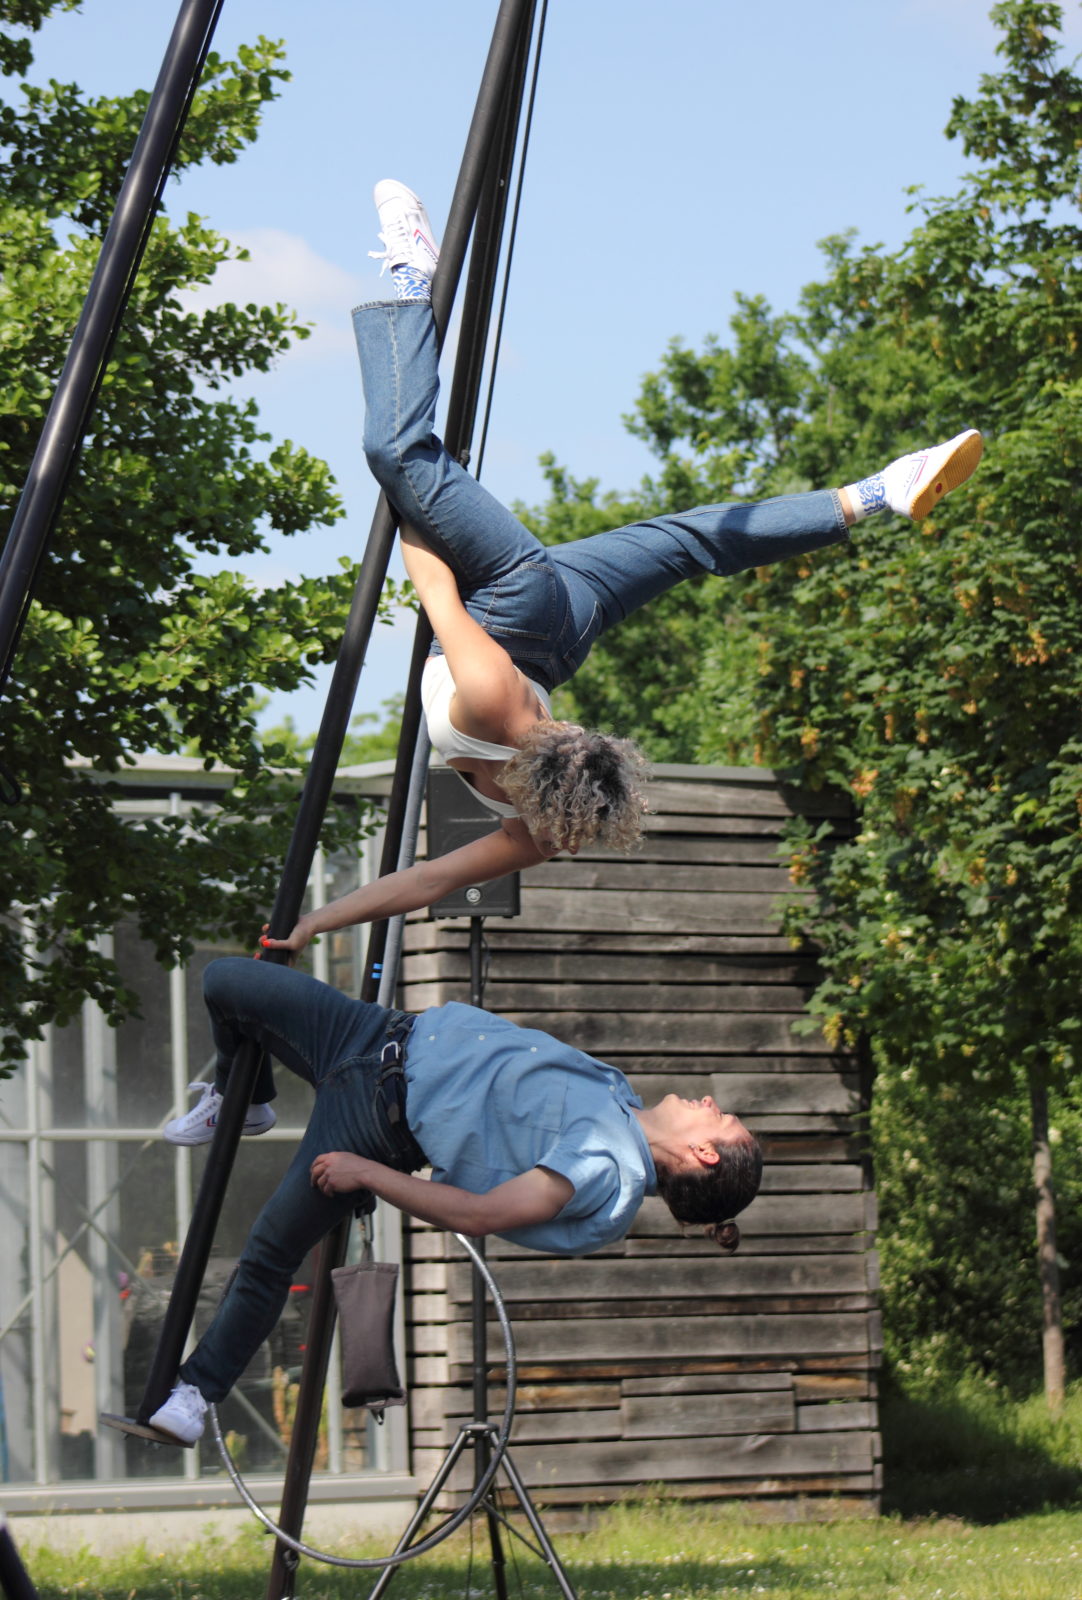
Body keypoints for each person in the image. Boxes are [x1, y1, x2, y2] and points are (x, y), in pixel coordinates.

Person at [258, 179, 984, 963]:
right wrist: (420, 499)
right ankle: (411, 281)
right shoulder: (496, 707)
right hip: (512, 604)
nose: (568, 725)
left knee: (689, 543)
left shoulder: (551, 822)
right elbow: (433, 585)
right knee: (396, 454)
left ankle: (876, 493)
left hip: (566, 629)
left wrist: (315, 924)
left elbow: (428, 881)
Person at [151, 955, 762, 1444]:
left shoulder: (604, 1169)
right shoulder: (618, 1096)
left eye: (721, 1118)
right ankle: (245, 1099)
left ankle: (197, 1392)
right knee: (226, 981)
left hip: (373, 1124)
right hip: (376, 1033)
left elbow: (479, 1215)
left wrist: (365, 1171)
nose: (710, 1103)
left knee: (268, 1252)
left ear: (704, 1154)